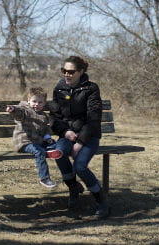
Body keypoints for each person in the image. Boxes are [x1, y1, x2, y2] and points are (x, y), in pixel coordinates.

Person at [50, 56, 109, 218]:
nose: (66, 75)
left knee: (80, 167)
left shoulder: (91, 88)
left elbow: (94, 119)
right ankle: (73, 188)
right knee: (58, 152)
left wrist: (80, 142)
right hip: (67, 135)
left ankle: (101, 201)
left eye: (71, 72)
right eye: (64, 71)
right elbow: (54, 118)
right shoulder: (59, 88)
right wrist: (65, 132)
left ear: (81, 72)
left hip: (89, 136)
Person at [6, 87, 63, 188]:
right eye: (34, 101)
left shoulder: (43, 116)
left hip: (37, 141)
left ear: (44, 103)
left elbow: (45, 129)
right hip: (24, 142)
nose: (37, 104)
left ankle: (51, 150)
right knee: (39, 151)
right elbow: (19, 113)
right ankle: (44, 178)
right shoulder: (26, 111)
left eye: (40, 102)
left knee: (53, 143)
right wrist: (13, 109)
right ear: (28, 101)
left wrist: (47, 137)